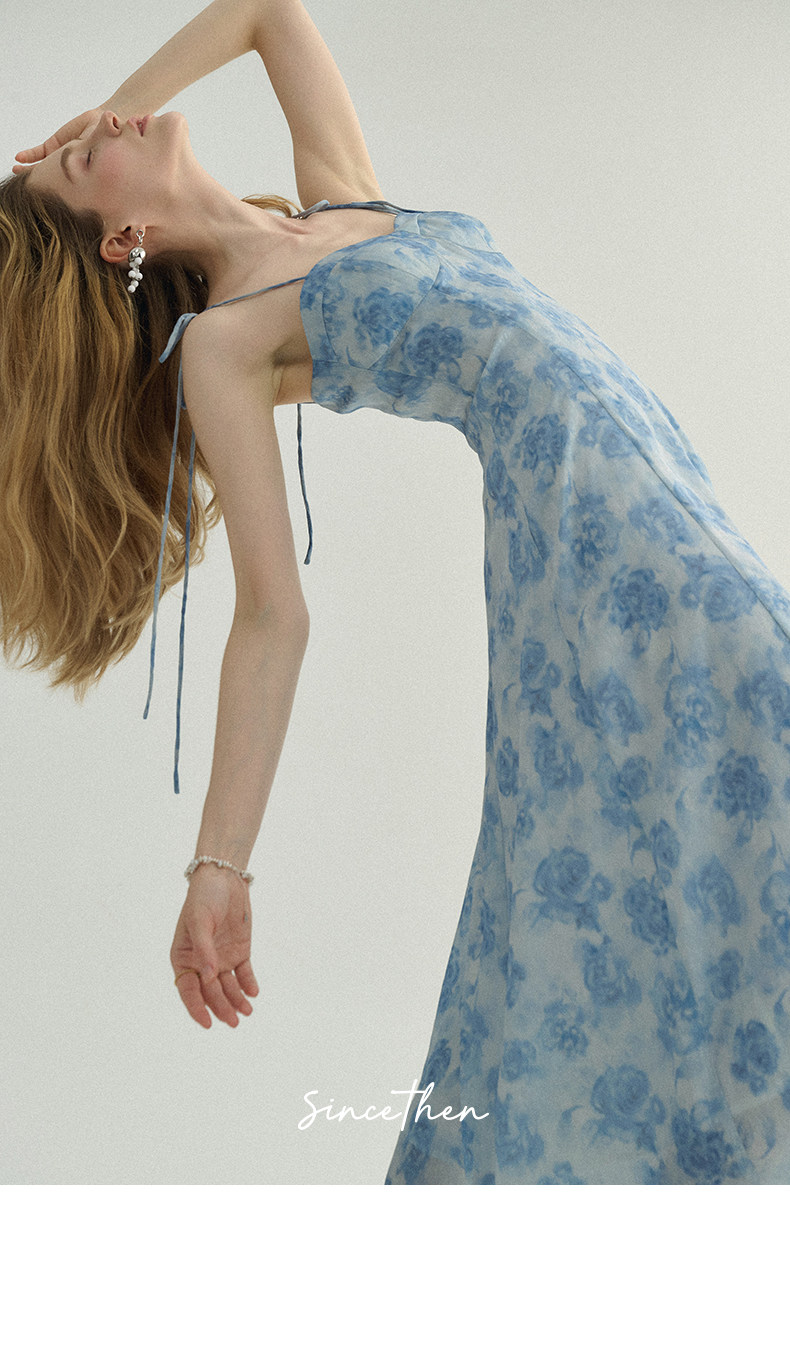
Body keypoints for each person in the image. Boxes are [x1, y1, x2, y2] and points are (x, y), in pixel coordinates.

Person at [3, 0, 790, 1185]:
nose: (102, 130)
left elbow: (268, 10)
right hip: (590, 543)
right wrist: (220, 867)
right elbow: (272, 614)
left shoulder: (337, 201)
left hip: (665, 488)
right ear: (124, 243)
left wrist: (104, 115)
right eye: (80, 161)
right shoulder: (227, 342)